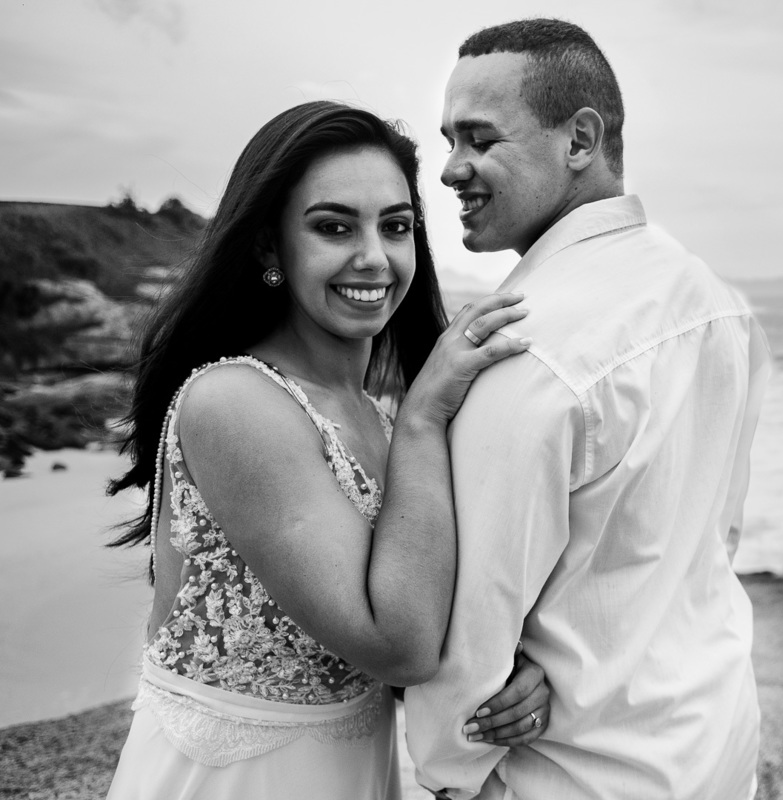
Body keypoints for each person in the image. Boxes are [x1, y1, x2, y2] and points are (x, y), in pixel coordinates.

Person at [104, 101, 550, 799]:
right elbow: (398, 647)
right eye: (334, 227)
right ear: (268, 248)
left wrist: (503, 674)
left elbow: (415, 619)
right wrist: (426, 416)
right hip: (234, 779)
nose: (373, 257)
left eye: (395, 226)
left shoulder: (373, 416)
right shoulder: (235, 402)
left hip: (351, 771)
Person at [405, 18, 770, 800]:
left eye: (480, 139)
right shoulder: (717, 303)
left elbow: (476, 623)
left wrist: (448, 776)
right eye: (449, 142)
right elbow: (715, 538)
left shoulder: (519, 347)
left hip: (575, 772)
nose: (451, 169)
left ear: (580, 140)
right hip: (714, 740)